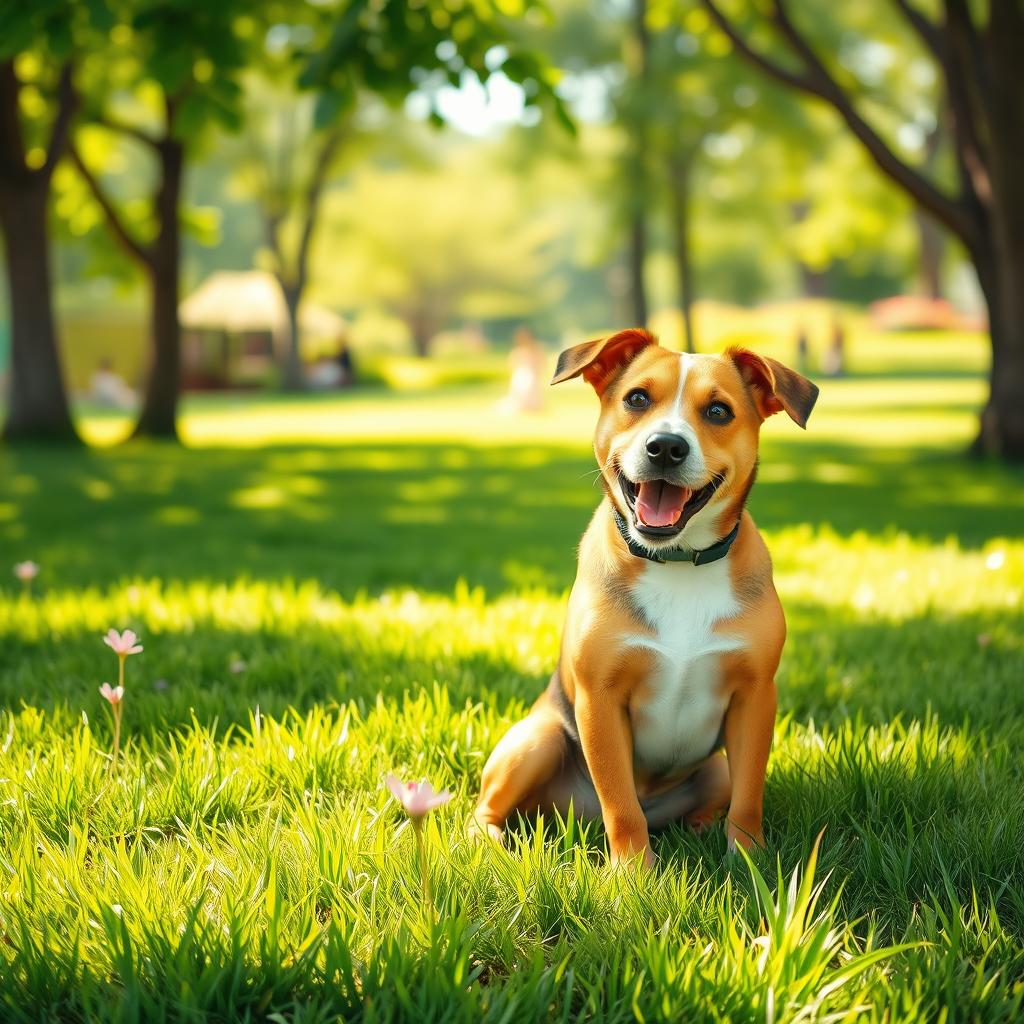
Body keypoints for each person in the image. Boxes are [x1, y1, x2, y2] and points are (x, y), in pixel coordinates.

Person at [500, 327, 545, 413]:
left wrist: (536, 373)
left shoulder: (536, 348)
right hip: (520, 376)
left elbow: (541, 363)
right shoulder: (517, 350)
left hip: (532, 376)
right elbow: (512, 364)